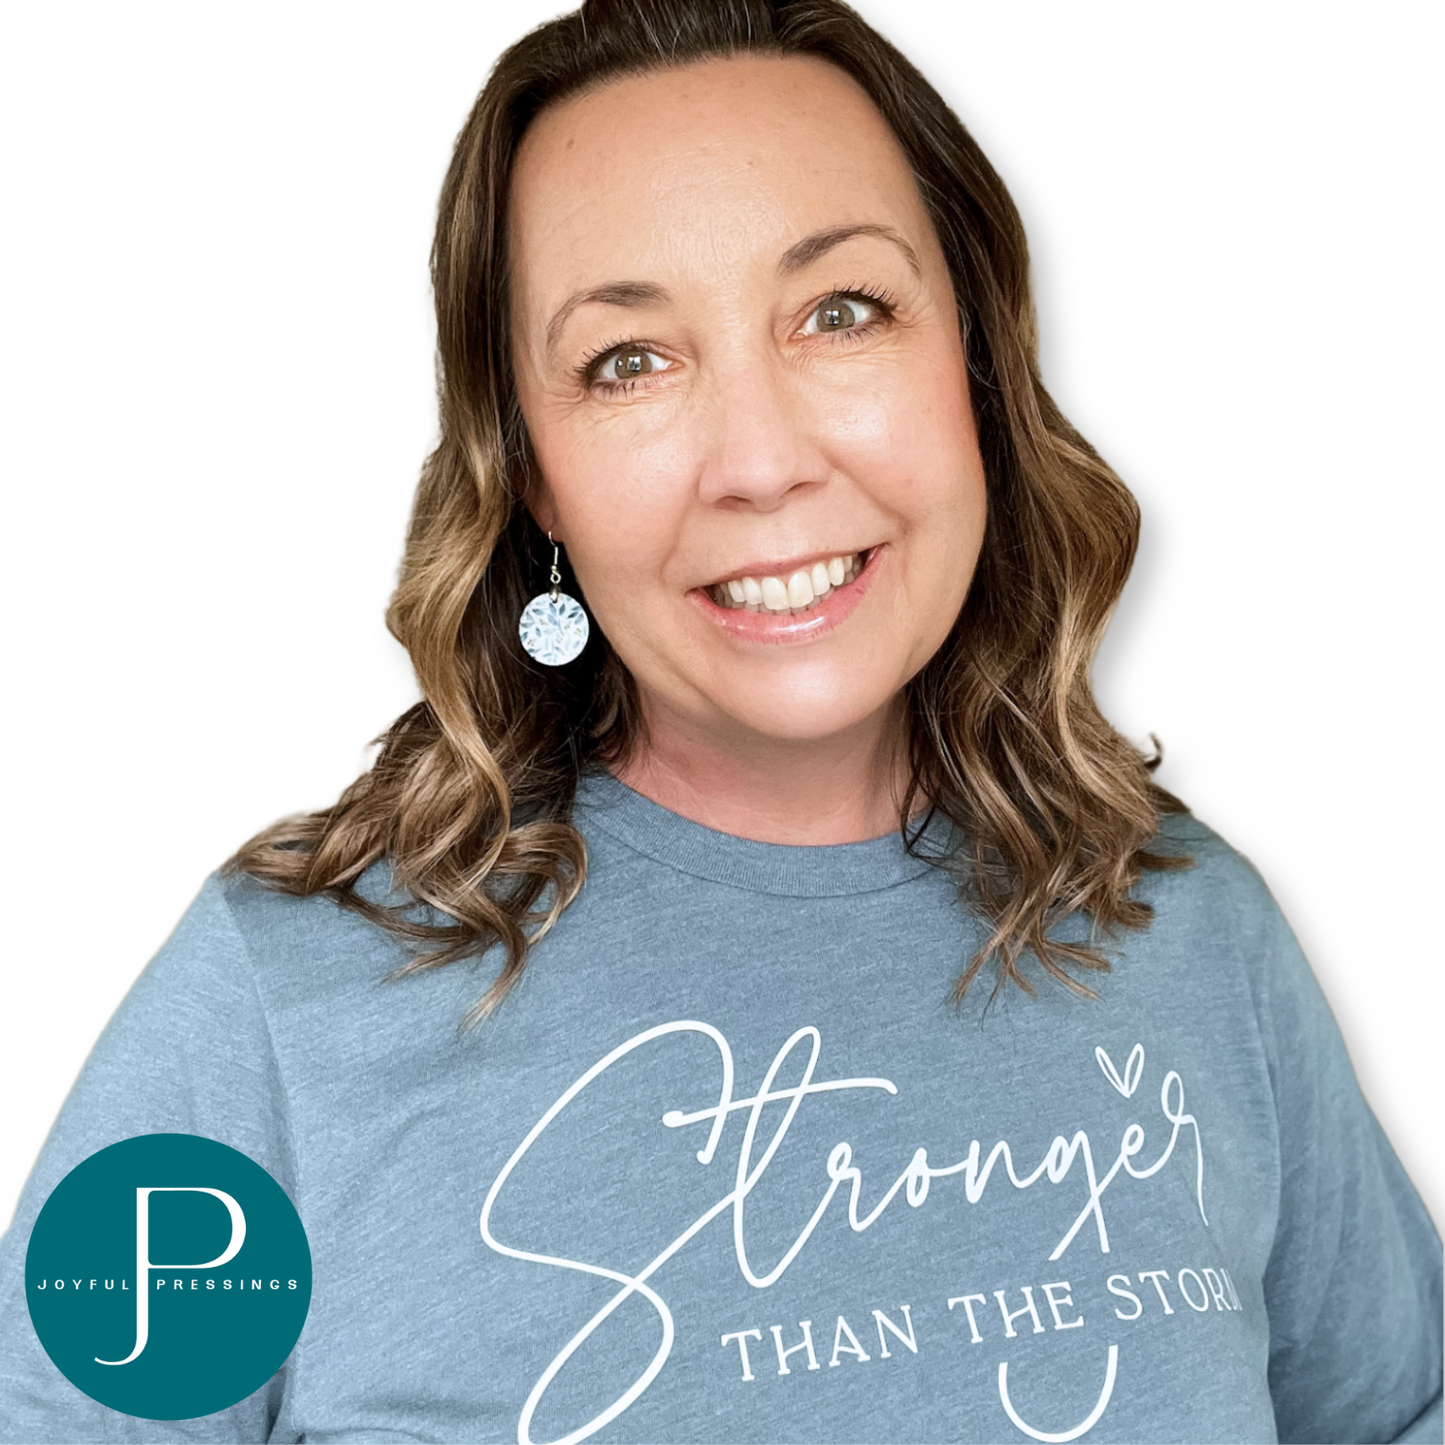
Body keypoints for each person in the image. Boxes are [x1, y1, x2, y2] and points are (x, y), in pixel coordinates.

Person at [1, 1, 1439, 1441]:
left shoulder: (1185, 933)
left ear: (980, 372)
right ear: (532, 474)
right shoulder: (275, 1007)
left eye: (842, 312)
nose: (759, 462)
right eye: (630, 360)